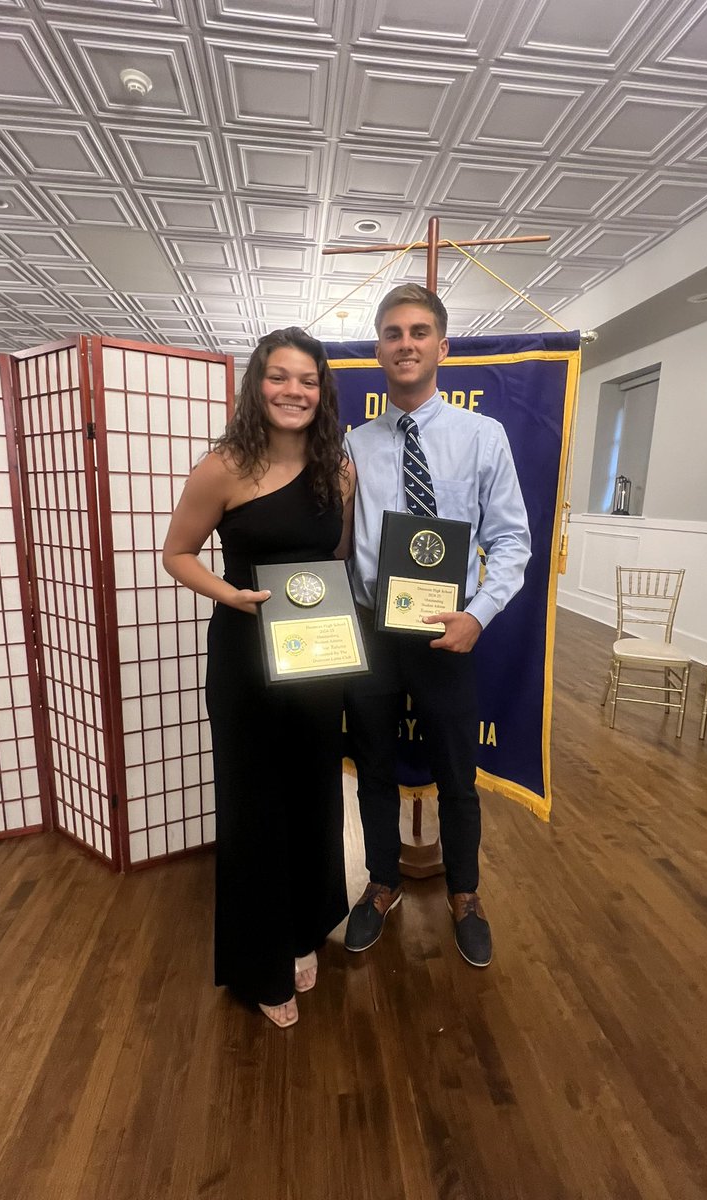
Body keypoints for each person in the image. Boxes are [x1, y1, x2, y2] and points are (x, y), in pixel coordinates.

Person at [162, 328, 354, 1028]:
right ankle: (260, 965)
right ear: (257, 384)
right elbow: (176, 553)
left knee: (313, 798)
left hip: (314, 658)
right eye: (280, 377)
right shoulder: (222, 467)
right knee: (256, 808)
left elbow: (331, 556)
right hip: (245, 655)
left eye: (307, 380)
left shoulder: (338, 466)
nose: (294, 391)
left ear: (321, 389)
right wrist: (230, 594)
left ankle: (303, 932)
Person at [343, 284, 531, 967]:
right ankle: (382, 883)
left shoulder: (484, 437)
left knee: (457, 772)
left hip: (447, 633)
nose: (406, 343)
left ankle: (467, 895)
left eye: (419, 332)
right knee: (373, 772)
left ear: (442, 347)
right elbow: (340, 538)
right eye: (393, 333)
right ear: (379, 350)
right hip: (370, 632)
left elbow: (512, 541)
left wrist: (478, 616)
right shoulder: (353, 444)